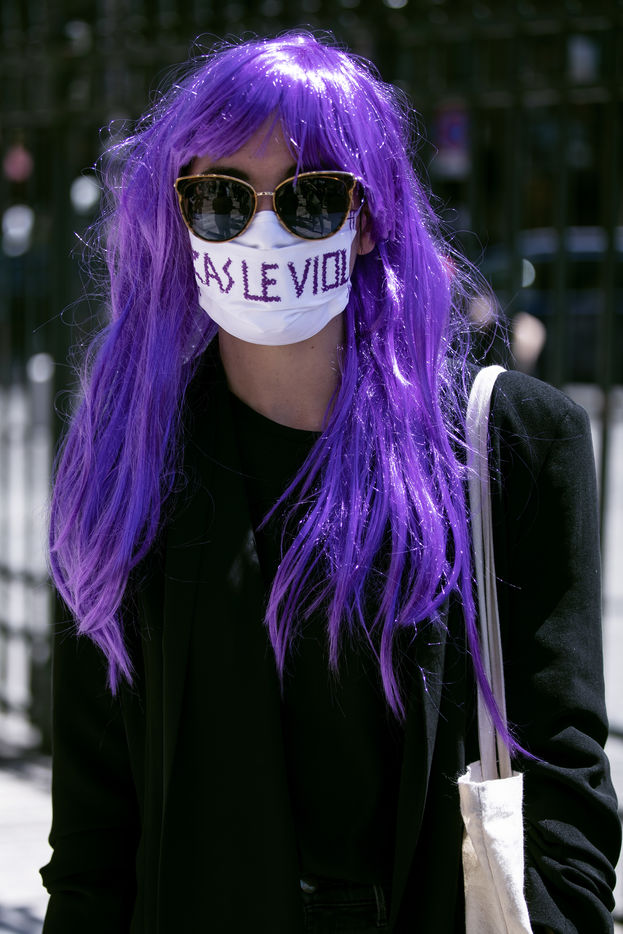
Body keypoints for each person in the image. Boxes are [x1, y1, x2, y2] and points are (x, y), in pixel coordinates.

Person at [40, 31, 620, 934]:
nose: (263, 230)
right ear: (177, 216)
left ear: (370, 218)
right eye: (221, 197)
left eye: (311, 196)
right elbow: (94, 839)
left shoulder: (510, 441)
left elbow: (564, 778)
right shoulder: (128, 461)